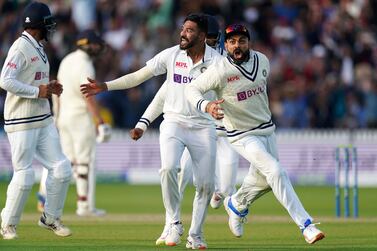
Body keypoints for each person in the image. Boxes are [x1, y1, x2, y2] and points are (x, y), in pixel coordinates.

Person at [81, 13, 221, 249]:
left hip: (203, 126)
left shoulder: (217, 62)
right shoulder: (172, 55)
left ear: (202, 36)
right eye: (183, 28)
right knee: (168, 168)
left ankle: (196, 235)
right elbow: (138, 77)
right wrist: (106, 86)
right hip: (173, 122)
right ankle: (174, 222)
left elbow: (227, 92)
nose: (183, 34)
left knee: (206, 186)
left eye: (189, 30)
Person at [185, 24, 325, 244]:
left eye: (241, 41)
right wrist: (206, 106)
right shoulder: (220, 70)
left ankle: (237, 204)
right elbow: (190, 89)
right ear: (226, 45)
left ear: (248, 42)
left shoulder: (263, 61)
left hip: (267, 130)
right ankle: (306, 225)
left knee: (265, 180)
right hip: (242, 135)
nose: (237, 46)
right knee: (276, 172)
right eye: (232, 42)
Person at [0, 1, 72, 239]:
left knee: (62, 168)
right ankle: (7, 224)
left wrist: (48, 87)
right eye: (48, 23)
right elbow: (5, 80)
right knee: (24, 174)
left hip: (42, 118)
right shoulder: (20, 47)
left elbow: (33, 79)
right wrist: (38, 91)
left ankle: (50, 218)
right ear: (38, 25)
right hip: (21, 120)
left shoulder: (37, 46)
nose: (51, 28)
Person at [37, 30, 111, 217]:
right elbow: (88, 95)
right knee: (85, 161)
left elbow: (57, 90)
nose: (99, 48)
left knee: (63, 160)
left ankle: (44, 197)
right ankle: (84, 206)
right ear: (87, 44)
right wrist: (99, 121)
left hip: (64, 118)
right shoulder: (86, 65)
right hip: (80, 118)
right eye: (96, 44)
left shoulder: (67, 60)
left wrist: (57, 115)